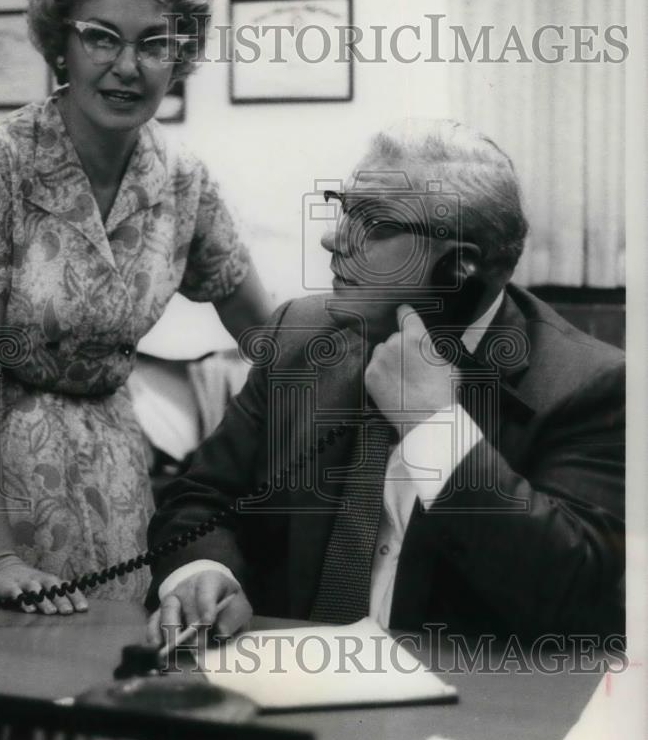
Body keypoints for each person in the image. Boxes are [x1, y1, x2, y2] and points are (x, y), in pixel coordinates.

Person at [145, 118, 625, 643]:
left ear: (457, 267)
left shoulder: (591, 385)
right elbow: (199, 497)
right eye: (344, 208)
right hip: (285, 684)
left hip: (466, 707)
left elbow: (572, 594)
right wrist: (205, 572)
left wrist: (434, 428)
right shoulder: (298, 337)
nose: (333, 238)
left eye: (374, 225)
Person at [0, 0, 272, 614]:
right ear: (60, 45)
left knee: (97, 676)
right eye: (101, 37)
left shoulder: (184, 179)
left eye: (155, 43)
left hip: (111, 475)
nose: (127, 67)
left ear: (180, 55)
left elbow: (268, 339)